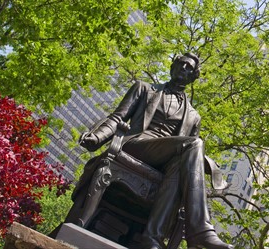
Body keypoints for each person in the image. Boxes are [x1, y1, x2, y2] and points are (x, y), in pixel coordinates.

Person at [77, 53, 233, 249]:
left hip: (165, 160)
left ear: (194, 76)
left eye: (189, 68)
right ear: (172, 67)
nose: (184, 69)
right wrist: (97, 137)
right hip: (137, 144)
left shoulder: (194, 116)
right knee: (195, 144)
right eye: (181, 64)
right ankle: (201, 230)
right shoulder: (144, 88)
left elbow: (188, 157)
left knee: (179, 167)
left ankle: (152, 240)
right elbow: (118, 118)